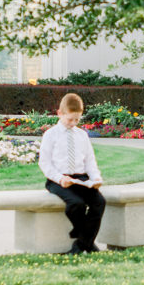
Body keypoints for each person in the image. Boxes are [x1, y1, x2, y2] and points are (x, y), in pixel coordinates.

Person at [39, 92, 106, 254]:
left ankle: (81, 244)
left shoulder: (82, 135)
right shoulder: (51, 135)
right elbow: (45, 163)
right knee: (76, 205)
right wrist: (60, 178)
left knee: (99, 202)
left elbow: (90, 161)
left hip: (81, 179)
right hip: (58, 180)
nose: (73, 123)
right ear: (60, 113)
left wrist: (96, 178)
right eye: (70, 119)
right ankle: (87, 242)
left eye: (77, 120)